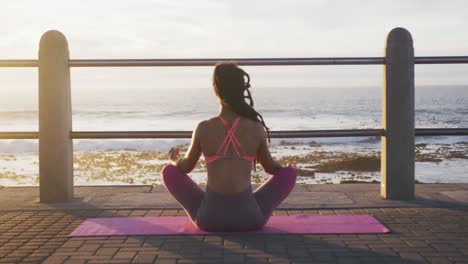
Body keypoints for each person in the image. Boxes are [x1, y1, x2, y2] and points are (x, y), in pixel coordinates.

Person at [162, 62, 297, 231]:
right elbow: (271, 168)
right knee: (290, 174)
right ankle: (248, 206)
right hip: (249, 219)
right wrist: (286, 168)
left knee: (168, 171)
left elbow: (185, 167)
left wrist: (174, 160)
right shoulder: (256, 128)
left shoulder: (203, 127)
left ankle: (211, 208)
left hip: (209, 219)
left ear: (216, 89)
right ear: (241, 89)